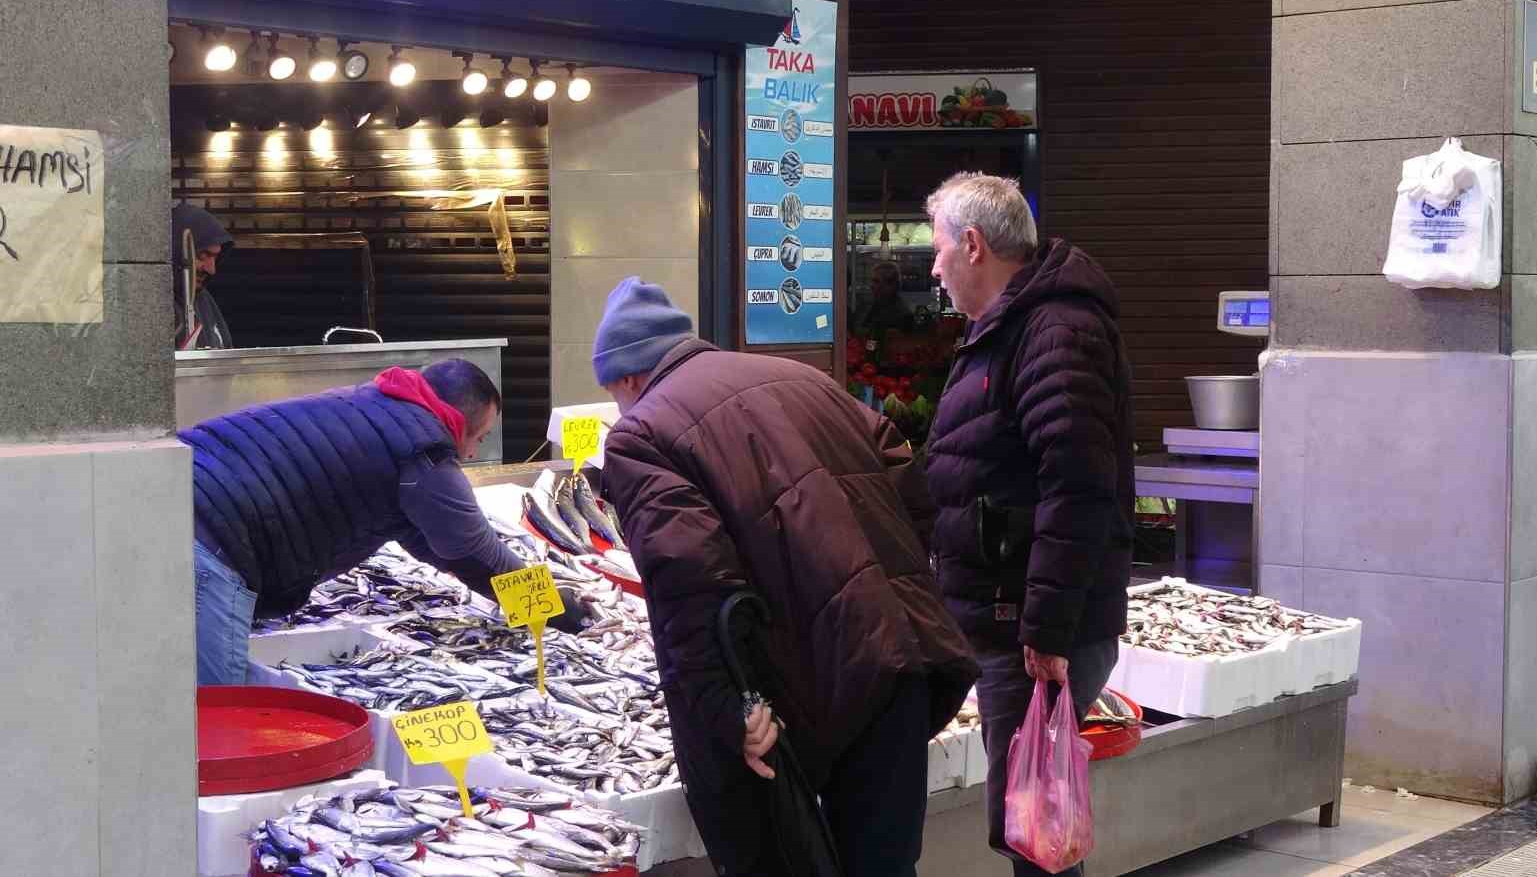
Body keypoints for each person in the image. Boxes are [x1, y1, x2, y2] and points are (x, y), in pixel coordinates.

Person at [592, 277, 979, 877]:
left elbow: (687, 585)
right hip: (901, 656)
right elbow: (912, 488)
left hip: (814, 684)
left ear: (627, 378)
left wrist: (727, 711)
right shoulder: (809, 381)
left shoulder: (641, 434)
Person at [921, 173, 1134, 877]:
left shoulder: (1054, 331)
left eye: (940, 248)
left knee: (1033, 828)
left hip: (1031, 632)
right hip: (1010, 621)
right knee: (1029, 823)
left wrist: (1044, 630)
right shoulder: (1010, 329)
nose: (934, 267)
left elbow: (1076, 488)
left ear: (974, 246)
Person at [183, 358, 583, 685]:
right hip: (214, 539)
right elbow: (480, 557)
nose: (475, 454)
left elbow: (434, 543)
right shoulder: (423, 451)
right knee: (217, 709)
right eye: (480, 438)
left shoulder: (375, 406)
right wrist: (559, 610)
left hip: (166, 494)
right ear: (460, 421)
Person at [172, 202, 236, 349]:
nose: (211, 269)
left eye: (215, 258)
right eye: (203, 255)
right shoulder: (153, 303)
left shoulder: (203, 299)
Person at [850, 259, 915, 335]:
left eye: (876, 281)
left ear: (890, 285)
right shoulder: (868, 305)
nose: (871, 285)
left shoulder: (901, 313)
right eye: (873, 281)